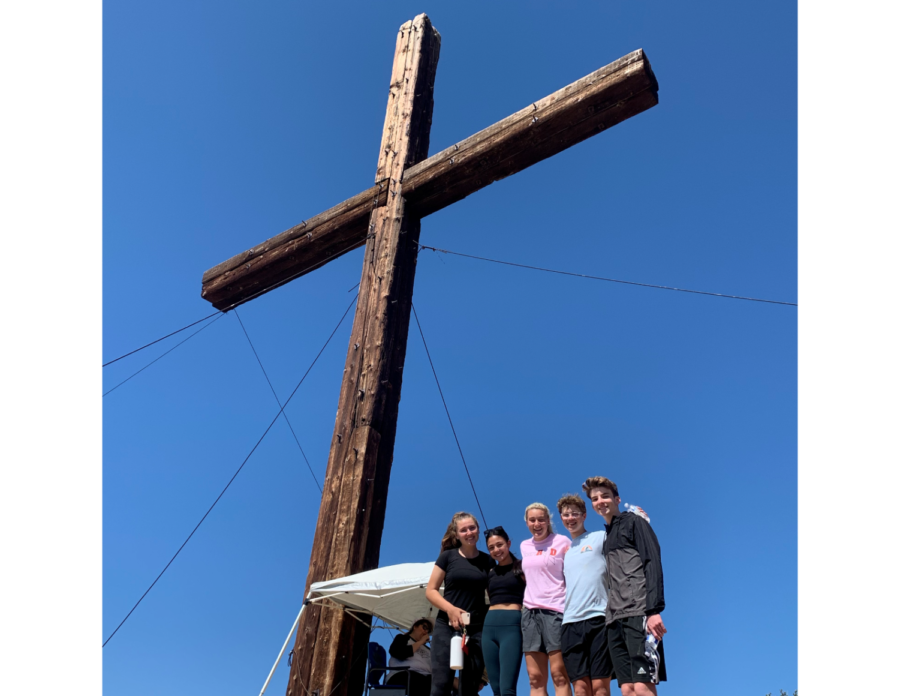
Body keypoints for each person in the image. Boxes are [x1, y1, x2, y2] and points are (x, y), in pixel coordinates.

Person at [584, 477, 667, 696]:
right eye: (595, 498)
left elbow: (652, 562)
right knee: (627, 689)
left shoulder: (634, 521)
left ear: (617, 499)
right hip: (613, 619)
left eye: (605, 496)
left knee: (642, 686)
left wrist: (653, 610)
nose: (600, 501)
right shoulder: (606, 536)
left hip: (639, 612)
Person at [426, 512, 495, 696]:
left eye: (472, 528)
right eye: (463, 530)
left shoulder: (487, 561)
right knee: (440, 686)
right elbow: (431, 591)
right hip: (445, 626)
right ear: (457, 535)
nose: (469, 532)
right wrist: (450, 609)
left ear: (478, 530)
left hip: (476, 629)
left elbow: (494, 595)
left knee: (470, 689)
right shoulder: (447, 557)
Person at [555, 494, 615, 696]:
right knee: (580, 689)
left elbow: (624, 535)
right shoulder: (563, 550)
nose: (570, 518)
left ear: (584, 515)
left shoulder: (600, 536)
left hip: (599, 619)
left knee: (600, 687)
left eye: (575, 514)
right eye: (566, 515)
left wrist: (639, 519)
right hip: (570, 623)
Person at [519, 503, 572, 696]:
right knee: (535, 678)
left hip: (556, 612)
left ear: (548, 521)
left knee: (559, 674)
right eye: (532, 520)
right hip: (530, 614)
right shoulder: (524, 546)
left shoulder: (562, 541)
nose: (537, 523)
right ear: (527, 523)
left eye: (541, 519)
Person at [483, 526, 527, 696]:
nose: (496, 550)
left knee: (507, 688)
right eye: (491, 548)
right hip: (489, 625)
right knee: (496, 688)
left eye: (499, 545)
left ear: (508, 543)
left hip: (512, 625)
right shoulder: (490, 573)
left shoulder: (523, 567)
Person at [387, 618, 434, 696]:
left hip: (426, 678)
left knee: (444, 682)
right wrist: (421, 642)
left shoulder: (427, 649)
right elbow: (398, 653)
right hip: (403, 676)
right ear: (415, 626)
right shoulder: (402, 638)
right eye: (424, 627)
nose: (426, 632)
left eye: (428, 631)